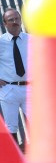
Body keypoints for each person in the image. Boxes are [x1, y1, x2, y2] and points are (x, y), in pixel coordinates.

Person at [0, 8, 28, 150]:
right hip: (8, 89)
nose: (15, 22)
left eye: (17, 18)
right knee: (11, 125)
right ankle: (15, 157)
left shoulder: (31, 40)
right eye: (11, 20)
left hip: (30, 88)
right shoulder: (1, 42)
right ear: (5, 23)